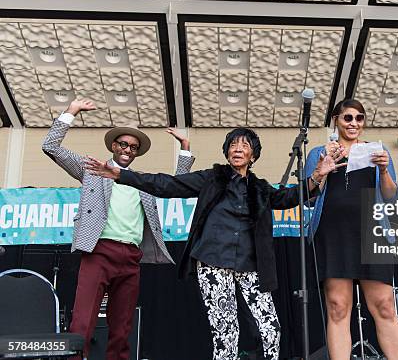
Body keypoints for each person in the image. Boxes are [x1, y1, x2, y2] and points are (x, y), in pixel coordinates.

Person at [84, 127, 344, 360]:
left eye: (244, 146)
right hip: (213, 263)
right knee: (226, 330)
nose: (238, 149)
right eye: (233, 145)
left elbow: (288, 198)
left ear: (253, 156)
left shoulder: (260, 188)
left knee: (270, 329)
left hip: (251, 265)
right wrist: (121, 175)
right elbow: (166, 184)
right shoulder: (212, 178)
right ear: (227, 152)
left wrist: (316, 177)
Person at [41, 99, 195, 360]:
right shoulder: (93, 170)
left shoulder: (140, 180)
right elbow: (50, 147)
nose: (127, 149)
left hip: (131, 258)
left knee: (122, 328)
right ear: (113, 146)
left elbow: (175, 185)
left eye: (133, 147)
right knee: (82, 321)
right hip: (99, 251)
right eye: (123, 144)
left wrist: (185, 147)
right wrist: (71, 112)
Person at [304, 99, 398, 359]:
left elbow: (391, 196)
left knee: (384, 306)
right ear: (336, 120)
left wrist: (383, 170)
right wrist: (322, 166)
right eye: (348, 118)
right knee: (338, 308)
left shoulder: (377, 151)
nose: (354, 123)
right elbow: (308, 194)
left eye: (359, 118)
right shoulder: (319, 151)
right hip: (332, 233)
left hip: (371, 233)